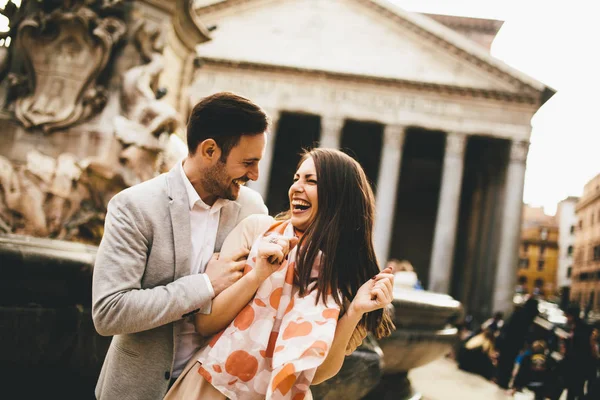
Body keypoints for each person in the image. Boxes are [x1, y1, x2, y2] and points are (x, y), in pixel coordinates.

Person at [165, 148, 396, 399]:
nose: (296, 187)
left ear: (338, 195)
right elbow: (205, 324)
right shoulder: (257, 231)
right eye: (297, 178)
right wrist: (257, 275)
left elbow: (316, 374)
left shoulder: (352, 280)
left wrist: (354, 312)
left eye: (311, 181)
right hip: (212, 387)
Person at [91, 92, 271, 400]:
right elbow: (109, 312)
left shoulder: (253, 211)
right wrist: (204, 285)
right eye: (247, 163)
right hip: (136, 391)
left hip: (213, 391)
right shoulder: (134, 206)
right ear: (210, 150)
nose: (254, 175)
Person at [495, 297, 539, 389]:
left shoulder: (519, 312)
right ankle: (504, 381)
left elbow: (508, 326)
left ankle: (501, 379)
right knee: (510, 361)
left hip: (509, 340)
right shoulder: (529, 316)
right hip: (516, 343)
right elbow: (525, 332)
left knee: (505, 360)